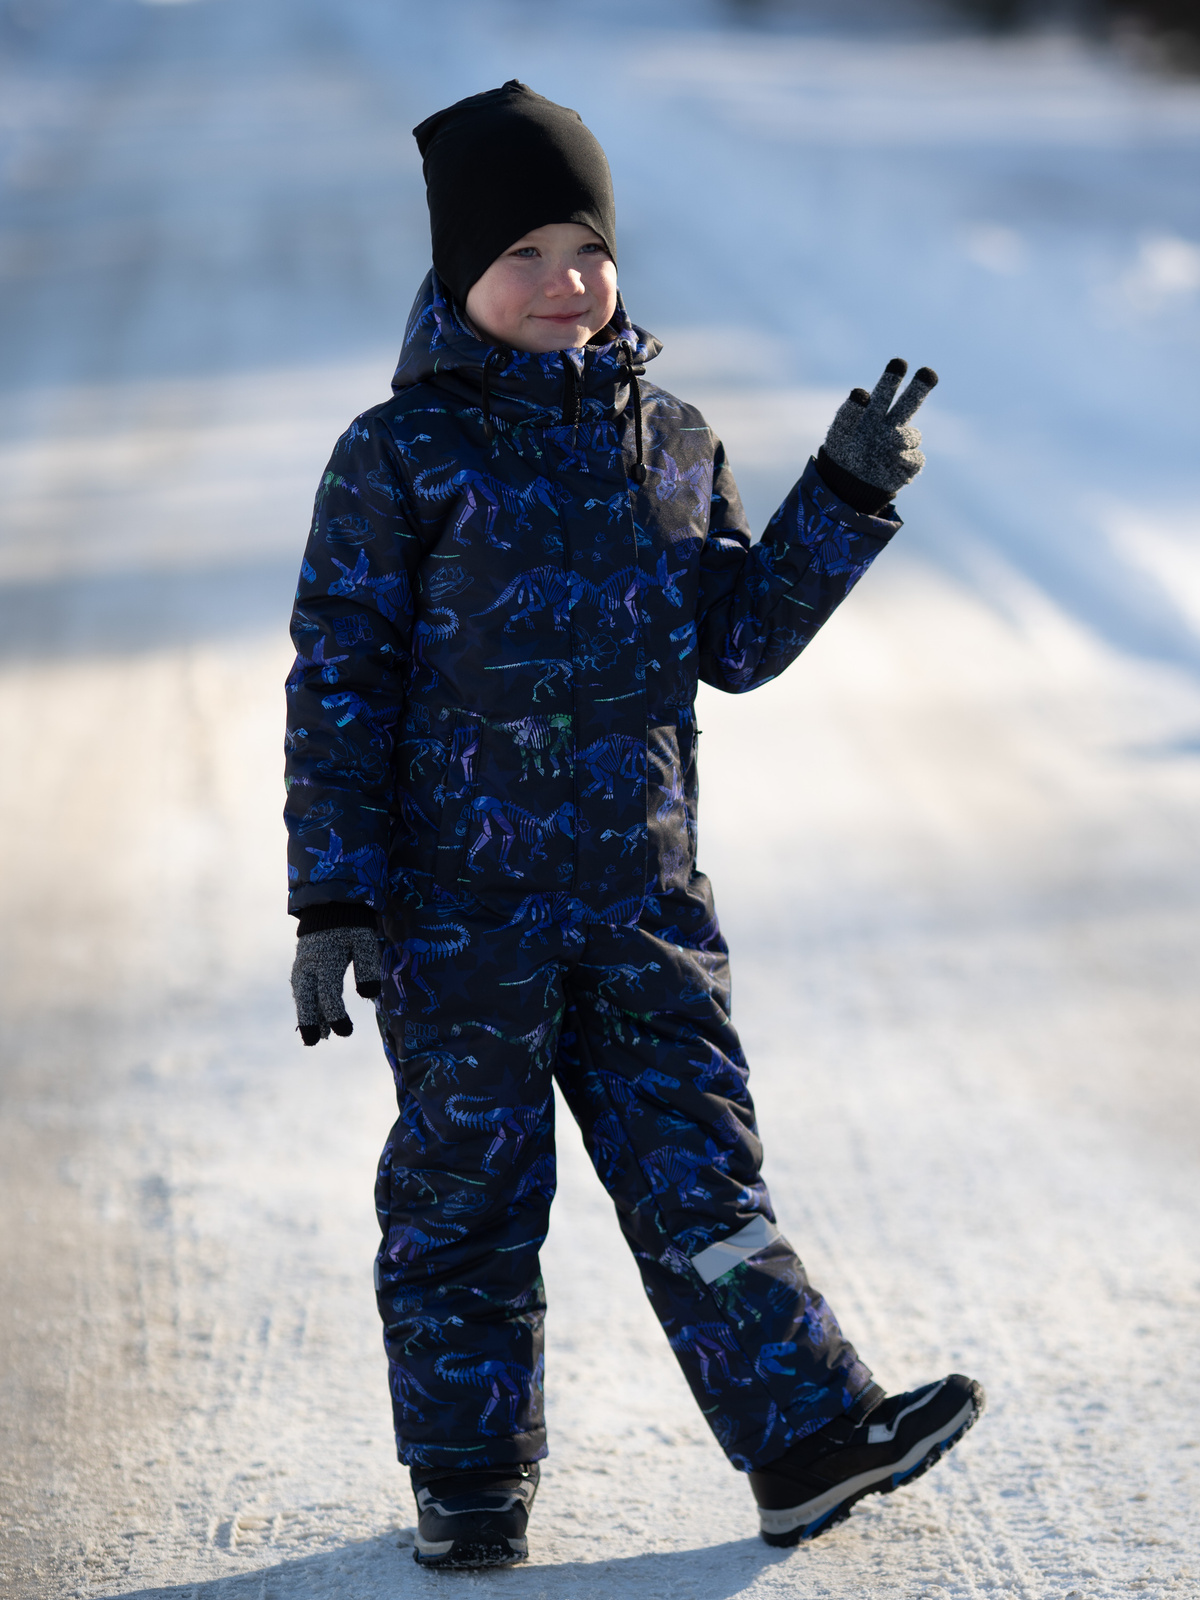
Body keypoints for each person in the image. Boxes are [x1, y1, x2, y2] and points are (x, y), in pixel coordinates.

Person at [284, 81, 984, 1570]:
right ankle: (467, 1482)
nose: (564, 282)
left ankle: (801, 1436)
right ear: (458, 277)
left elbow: (732, 638)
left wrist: (843, 501)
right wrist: (331, 896)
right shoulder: (398, 457)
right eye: (523, 252)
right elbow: (340, 675)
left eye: (587, 249)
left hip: (642, 901)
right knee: (466, 1199)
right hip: (461, 915)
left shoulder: (668, 437)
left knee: (701, 1177)